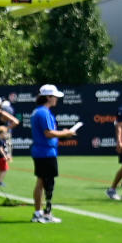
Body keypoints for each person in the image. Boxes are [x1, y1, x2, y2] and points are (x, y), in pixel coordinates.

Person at [30, 83, 77, 222]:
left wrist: (63, 133)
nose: (56, 99)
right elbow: (48, 133)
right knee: (47, 182)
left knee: (41, 181)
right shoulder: (43, 112)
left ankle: (39, 213)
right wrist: (65, 133)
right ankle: (46, 213)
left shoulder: (39, 111)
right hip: (45, 152)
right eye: (54, 96)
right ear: (48, 97)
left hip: (42, 151)